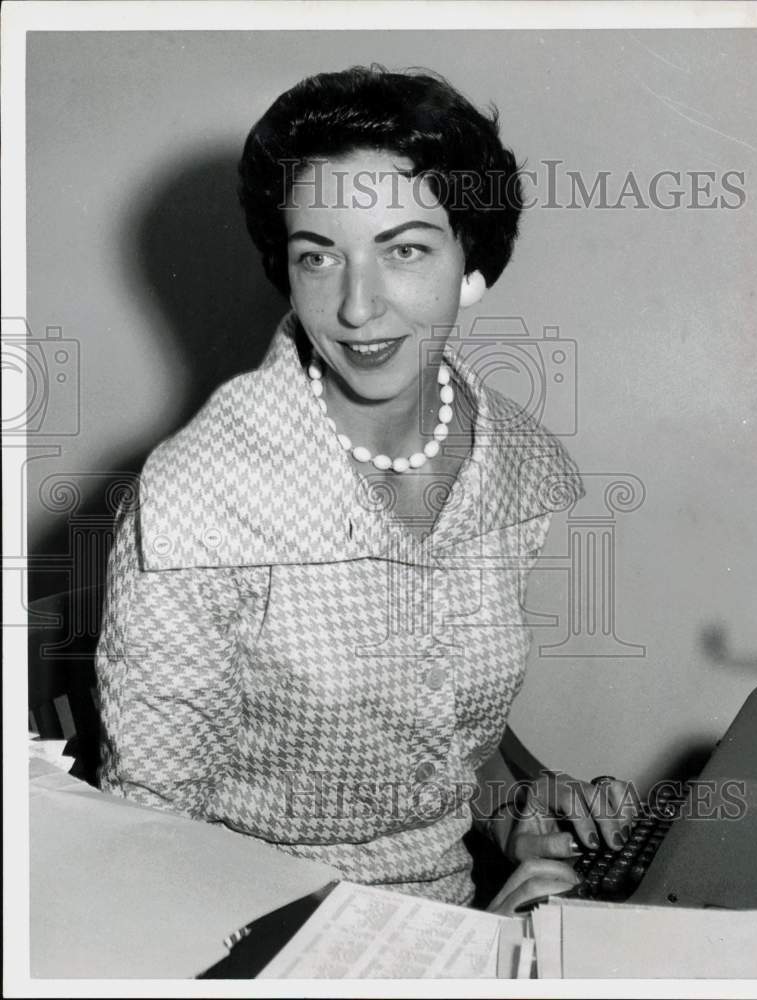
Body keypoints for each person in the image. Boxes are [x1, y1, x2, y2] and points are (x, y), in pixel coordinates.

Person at [96, 65, 634, 915]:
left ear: (473, 262)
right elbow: (149, 846)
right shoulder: (197, 497)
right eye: (318, 257)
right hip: (259, 933)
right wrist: (448, 958)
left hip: (454, 897)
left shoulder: (513, 461)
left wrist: (516, 814)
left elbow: (435, 725)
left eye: (404, 249)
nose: (355, 306)